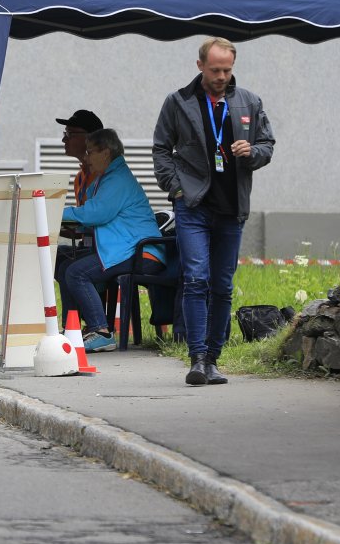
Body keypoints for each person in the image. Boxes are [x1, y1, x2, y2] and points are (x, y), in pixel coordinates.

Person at [152, 38, 275, 387]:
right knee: (195, 279)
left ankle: (213, 360)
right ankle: (197, 358)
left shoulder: (249, 101)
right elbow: (161, 149)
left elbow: (267, 145)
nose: (222, 76)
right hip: (193, 206)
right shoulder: (178, 101)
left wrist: (252, 151)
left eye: (227, 70)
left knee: (222, 286)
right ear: (200, 66)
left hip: (232, 208)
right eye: (215, 69)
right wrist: (176, 189)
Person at [60, 129, 168, 354]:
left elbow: (96, 213)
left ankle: (101, 332)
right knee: (65, 264)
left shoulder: (117, 179)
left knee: (76, 272)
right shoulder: (109, 177)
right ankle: (72, 329)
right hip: (127, 248)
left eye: (90, 152)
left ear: (106, 153)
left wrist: (56, 212)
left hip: (141, 252)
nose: (87, 157)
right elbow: (100, 216)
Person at [52, 108, 104, 321]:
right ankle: (73, 322)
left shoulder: (104, 175)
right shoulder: (81, 177)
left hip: (107, 248)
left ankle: (85, 324)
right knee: (56, 256)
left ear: (89, 139)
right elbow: (85, 223)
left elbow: (97, 216)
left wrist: (53, 213)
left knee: (70, 267)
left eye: (70, 134)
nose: (64, 139)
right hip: (89, 244)